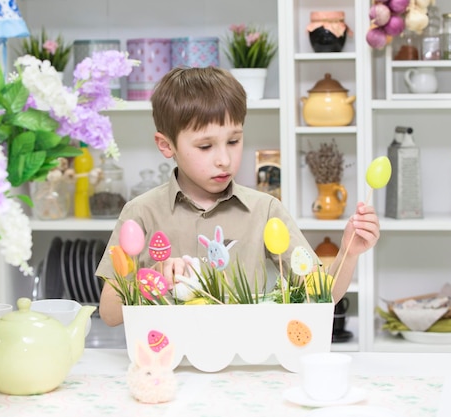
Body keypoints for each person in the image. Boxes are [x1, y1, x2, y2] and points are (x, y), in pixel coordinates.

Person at [96, 67, 380, 326]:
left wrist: (348, 253)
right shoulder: (141, 213)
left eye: (233, 141)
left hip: (245, 369)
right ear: (166, 145)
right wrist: (155, 278)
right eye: (205, 146)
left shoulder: (265, 210)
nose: (224, 159)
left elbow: (321, 296)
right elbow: (109, 314)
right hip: (166, 370)